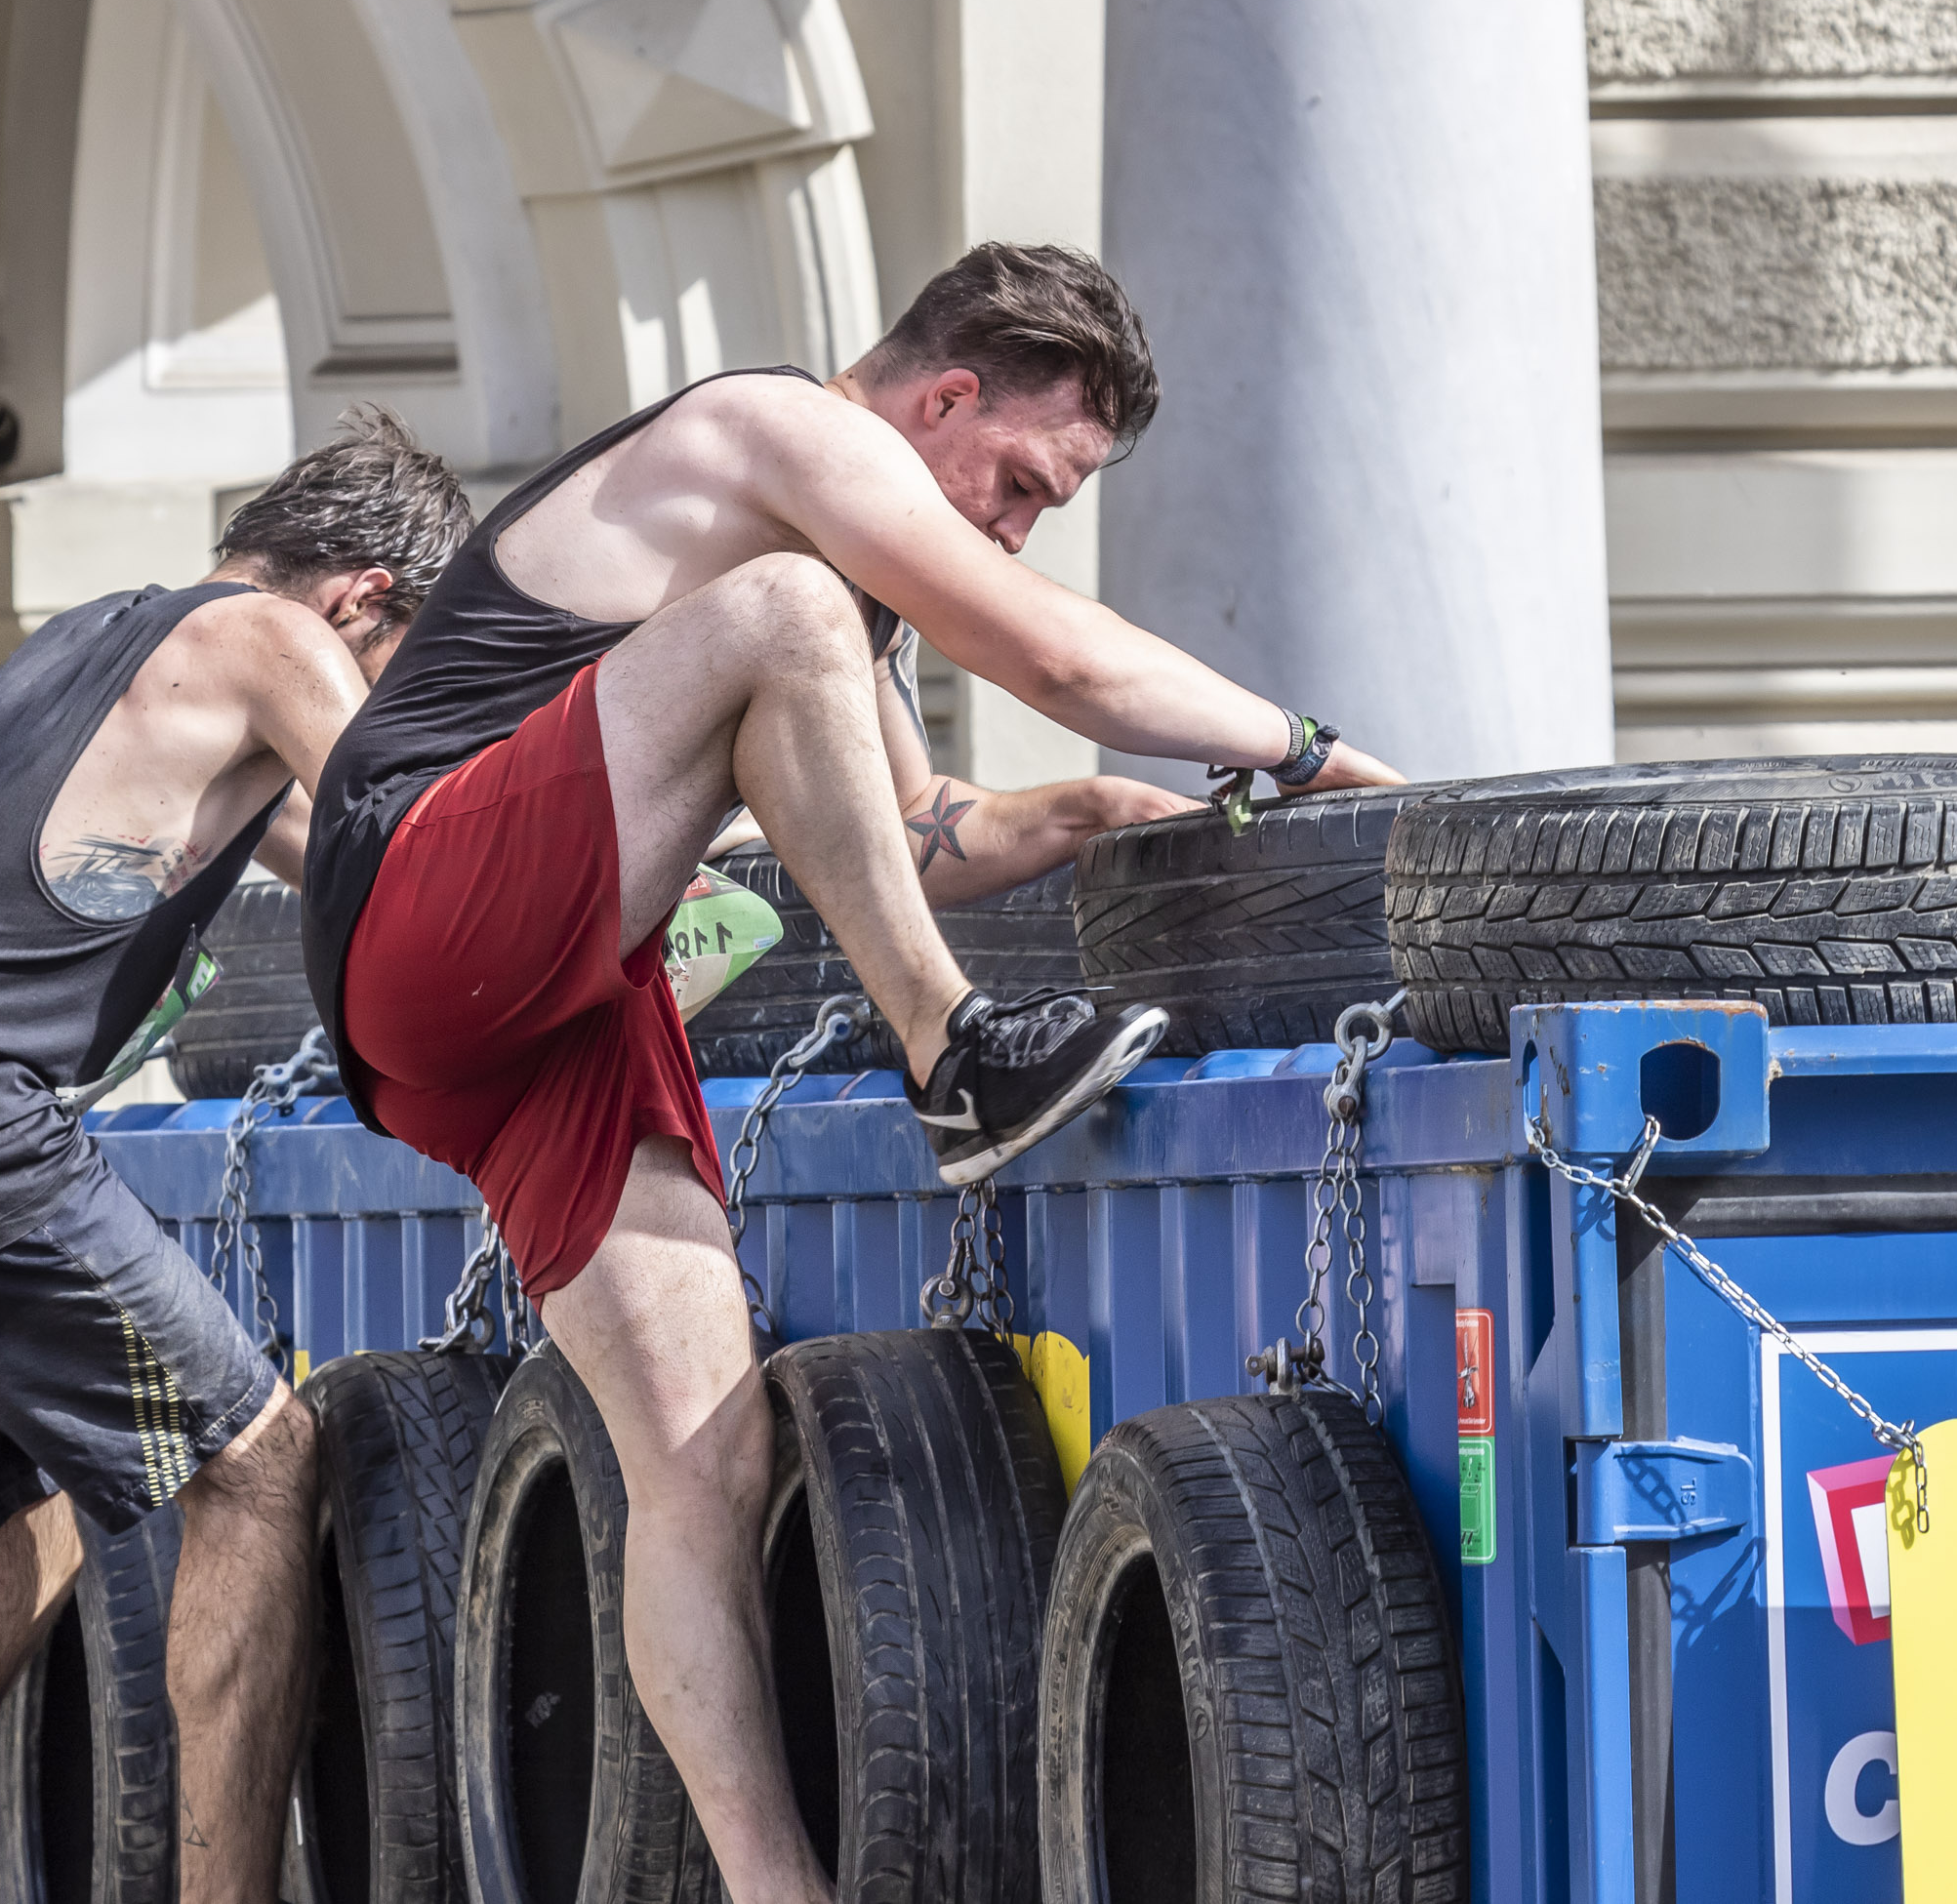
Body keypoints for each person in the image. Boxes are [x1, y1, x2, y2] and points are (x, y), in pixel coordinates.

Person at [300, 244, 1406, 1900]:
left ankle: (769, 1886)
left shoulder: (836, 610)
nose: (1019, 526)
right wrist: (1318, 753)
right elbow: (1061, 659)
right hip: (419, 898)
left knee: (705, 1455)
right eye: (1023, 480)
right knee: (790, 611)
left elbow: (905, 834)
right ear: (942, 397)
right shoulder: (774, 432)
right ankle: (952, 1053)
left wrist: (1103, 815)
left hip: (534, 1017)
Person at [0, 406, 474, 1904]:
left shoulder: (106, 647)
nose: (372, 695)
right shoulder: (272, 641)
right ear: (363, 599)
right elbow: (426, 835)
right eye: (393, 663)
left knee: (1, 1558)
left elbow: (336, 873)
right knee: (259, 1463)